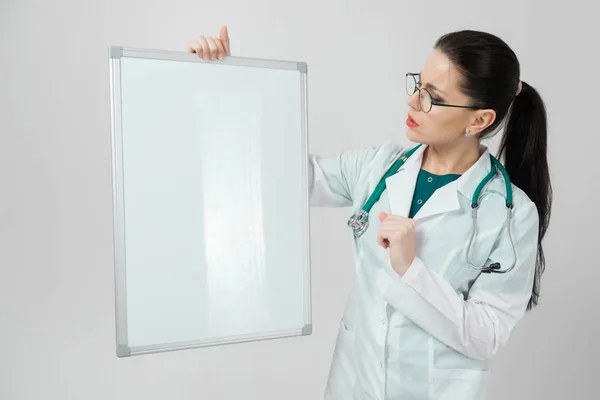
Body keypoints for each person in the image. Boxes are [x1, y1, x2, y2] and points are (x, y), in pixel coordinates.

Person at [187, 26, 552, 400]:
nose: (413, 102)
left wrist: (411, 270)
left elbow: (487, 335)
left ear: (478, 120)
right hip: (355, 382)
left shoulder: (510, 214)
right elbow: (283, 178)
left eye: (432, 97)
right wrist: (229, 83)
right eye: (418, 85)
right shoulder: (379, 167)